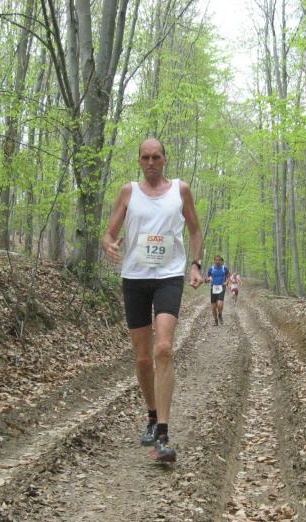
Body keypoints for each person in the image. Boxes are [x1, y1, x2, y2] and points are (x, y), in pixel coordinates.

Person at [101, 138, 203, 463]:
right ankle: (151, 413)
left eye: (156, 157)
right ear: (139, 161)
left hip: (169, 276)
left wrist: (195, 265)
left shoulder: (181, 190)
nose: (150, 163)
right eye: (145, 157)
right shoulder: (128, 192)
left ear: (165, 159)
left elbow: (195, 230)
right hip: (135, 278)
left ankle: (163, 434)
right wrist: (109, 244)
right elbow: (109, 233)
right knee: (143, 358)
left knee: (164, 348)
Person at [205, 255, 229, 325]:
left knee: (219, 304)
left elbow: (228, 277)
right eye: (216, 260)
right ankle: (216, 321)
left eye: (219, 260)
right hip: (213, 288)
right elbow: (207, 279)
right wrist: (207, 280)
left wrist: (226, 282)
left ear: (221, 261)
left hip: (222, 287)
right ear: (214, 261)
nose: (217, 261)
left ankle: (220, 315)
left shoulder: (224, 268)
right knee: (213, 307)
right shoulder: (211, 269)